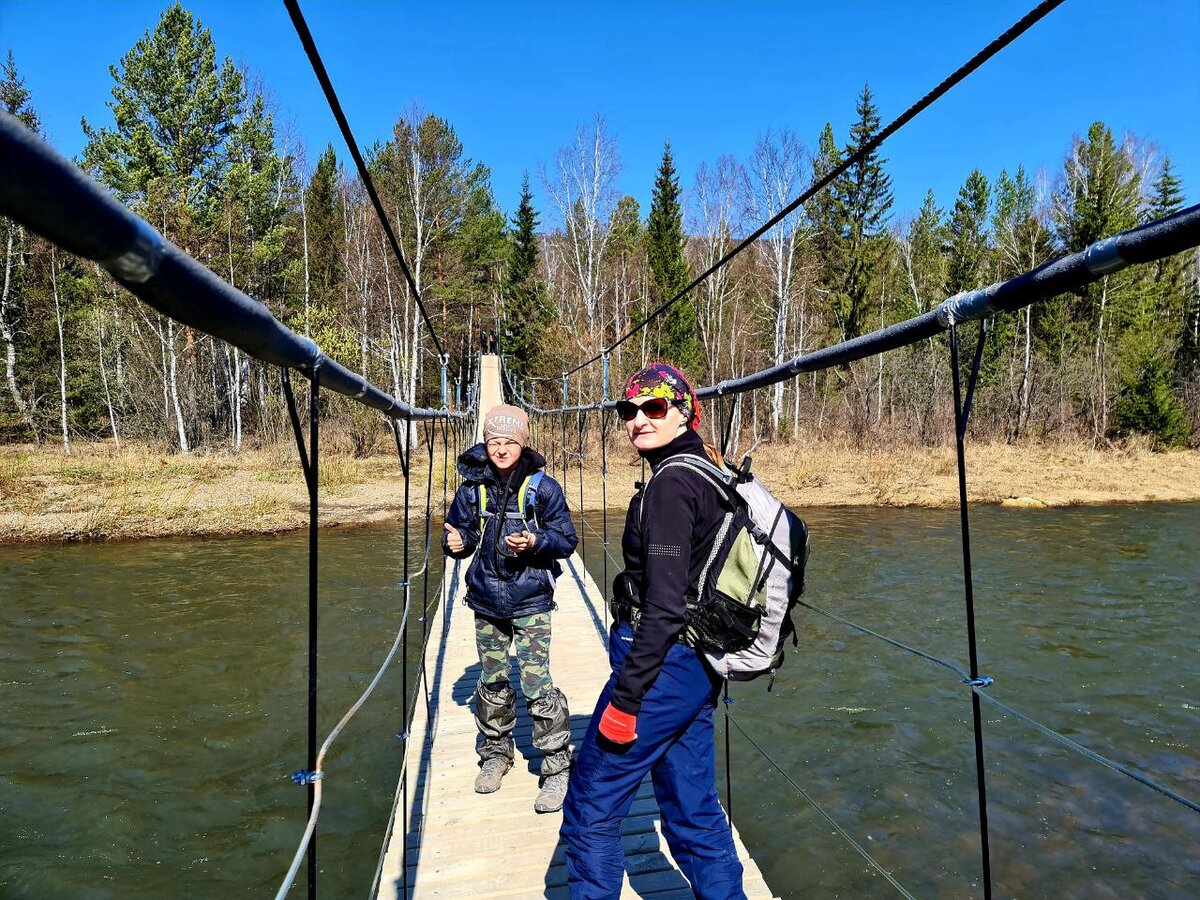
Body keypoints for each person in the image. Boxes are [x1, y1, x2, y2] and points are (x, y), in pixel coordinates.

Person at [560, 363, 746, 898]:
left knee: (589, 811)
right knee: (693, 813)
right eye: (628, 410)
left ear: (686, 411)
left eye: (654, 407)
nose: (638, 420)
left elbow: (664, 609)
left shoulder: (671, 484)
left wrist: (627, 697)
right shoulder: (709, 472)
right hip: (699, 665)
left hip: (660, 668)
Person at [442, 403, 579, 812]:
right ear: (486, 443)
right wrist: (456, 545)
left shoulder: (544, 488)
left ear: (522, 443)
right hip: (485, 599)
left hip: (531, 600)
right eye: (494, 441)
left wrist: (536, 542)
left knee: (537, 683)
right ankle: (496, 756)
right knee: (494, 681)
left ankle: (556, 766)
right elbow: (461, 534)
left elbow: (566, 540)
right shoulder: (471, 488)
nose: (501, 449)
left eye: (509, 441)